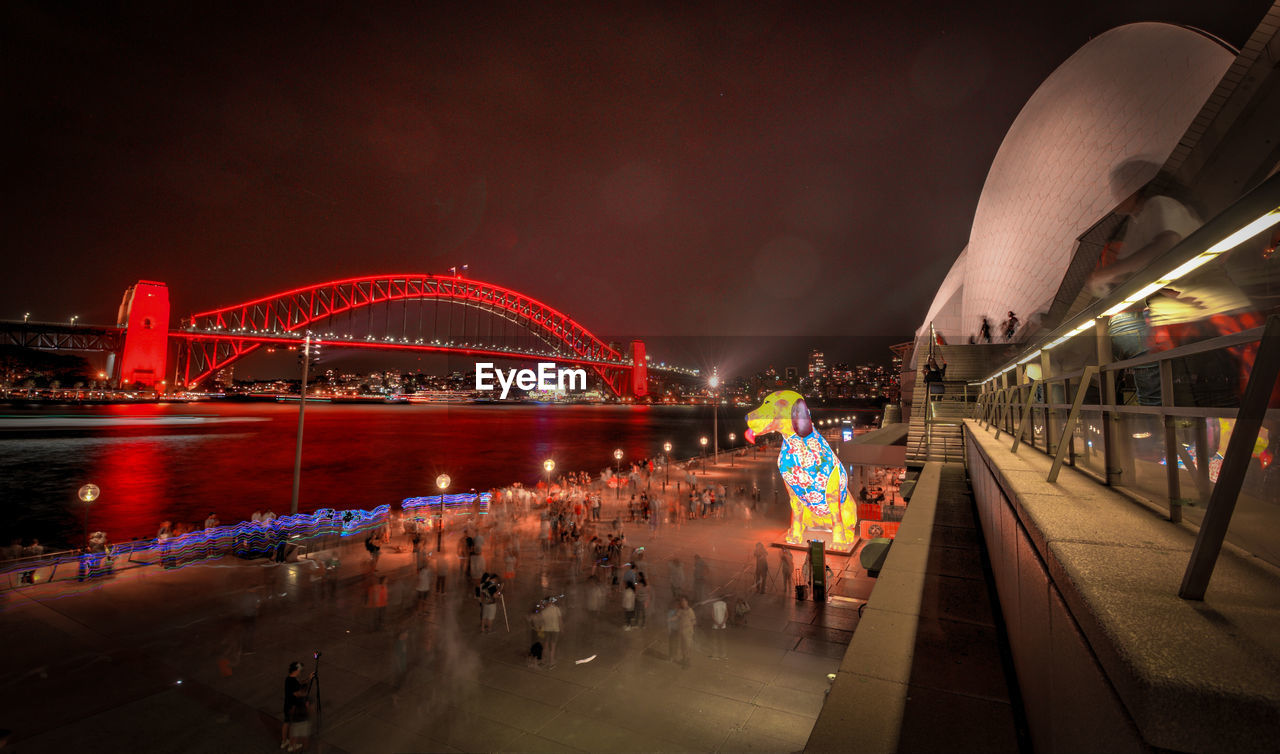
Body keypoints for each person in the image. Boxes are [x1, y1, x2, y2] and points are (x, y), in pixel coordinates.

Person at [281, 660, 312, 751]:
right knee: (293, 726)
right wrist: (305, 694)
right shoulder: (293, 682)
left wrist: (308, 679)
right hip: (293, 707)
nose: (300, 671)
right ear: (296, 670)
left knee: (286, 723)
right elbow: (297, 693)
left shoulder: (289, 679)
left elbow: (299, 684)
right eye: (299, 670)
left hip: (287, 705)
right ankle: (291, 745)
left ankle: (284, 742)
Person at [540, 597, 562, 669]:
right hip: (555, 630)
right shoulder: (556, 609)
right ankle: (551, 663)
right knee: (553, 647)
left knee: (545, 646)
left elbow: (541, 622)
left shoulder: (544, 611)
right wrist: (562, 629)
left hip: (546, 630)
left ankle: (543, 662)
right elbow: (560, 621)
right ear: (551, 602)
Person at [674, 596, 696, 668]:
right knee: (682, 646)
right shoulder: (680, 610)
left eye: (684, 601)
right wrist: (669, 619)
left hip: (688, 632)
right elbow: (677, 617)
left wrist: (689, 629)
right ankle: (684, 659)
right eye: (681, 601)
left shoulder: (690, 611)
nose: (683, 602)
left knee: (687, 647)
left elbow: (693, 621)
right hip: (681, 631)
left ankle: (687, 663)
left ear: (687, 602)